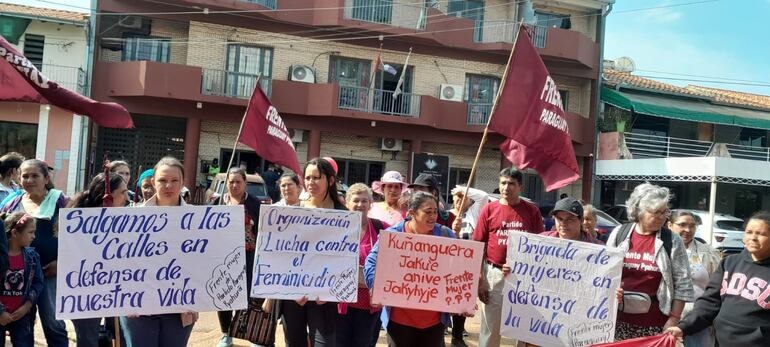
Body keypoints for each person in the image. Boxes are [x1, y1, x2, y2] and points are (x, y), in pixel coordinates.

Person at [365, 192, 464, 346]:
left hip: (434, 322)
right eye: (428, 212)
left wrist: (464, 297)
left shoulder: (446, 235)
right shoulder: (394, 236)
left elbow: (460, 267)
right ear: (412, 213)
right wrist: (374, 287)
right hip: (399, 320)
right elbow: (371, 262)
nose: (433, 216)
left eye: (435, 212)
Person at [120, 157, 197, 347]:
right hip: (138, 307)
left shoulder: (200, 220)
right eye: (162, 180)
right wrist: (125, 296)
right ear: (153, 182)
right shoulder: (131, 217)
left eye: (174, 180)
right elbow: (119, 262)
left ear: (183, 182)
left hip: (181, 307)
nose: (168, 185)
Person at [666, 211, 770, 346]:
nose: (753, 238)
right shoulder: (730, 263)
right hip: (720, 341)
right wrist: (684, 326)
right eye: (749, 232)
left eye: (761, 234)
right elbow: (710, 302)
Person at [606, 183, 693, 340]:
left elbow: (683, 284)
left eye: (664, 211)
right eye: (656, 212)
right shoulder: (620, 233)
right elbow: (604, 274)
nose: (663, 217)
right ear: (639, 211)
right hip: (617, 321)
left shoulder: (672, 240)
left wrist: (674, 318)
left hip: (655, 325)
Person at [0, 159, 69, 347]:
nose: (29, 180)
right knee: (23, 325)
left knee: (53, 323)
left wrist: (61, 263)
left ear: (46, 178)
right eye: (25, 176)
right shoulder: (11, 204)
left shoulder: (63, 203)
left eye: (35, 175)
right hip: (16, 278)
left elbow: (77, 240)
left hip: (50, 275)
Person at [473, 167, 543, 347]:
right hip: (494, 275)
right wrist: (480, 279)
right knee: (490, 328)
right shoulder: (489, 210)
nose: (506, 187)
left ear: (520, 186)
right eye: (503, 183)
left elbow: (540, 248)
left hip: (524, 279)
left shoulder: (532, 211)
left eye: (511, 183)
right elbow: (478, 246)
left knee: (523, 328)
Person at [281, 158, 344, 347]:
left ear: (330, 181)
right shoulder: (293, 212)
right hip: (294, 296)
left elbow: (346, 259)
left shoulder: (345, 215)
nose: (310, 183)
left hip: (325, 298)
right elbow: (282, 255)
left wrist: (331, 290)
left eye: (316, 177)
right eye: (307, 178)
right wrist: (291, 290)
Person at [67, 173, 128, 347]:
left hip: (118, 289)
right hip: (86, 292)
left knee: (122, 336)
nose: (126, 197)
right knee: (88, 339)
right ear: (107, 195)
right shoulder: (78, 221)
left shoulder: (129, 220)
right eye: (122, 192)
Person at [212, 167, 262, 347]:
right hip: (223, 258)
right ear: (226, 184)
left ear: (245, 184)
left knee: (248, 296)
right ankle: (226, 333)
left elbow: (261, 231)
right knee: (224, 295)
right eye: (231, 182)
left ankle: (251, 334)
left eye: (238, 182)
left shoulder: (255, 204)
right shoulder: (218, 203)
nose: (234, 185)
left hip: (248, 257)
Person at [336, 183, 387, 347]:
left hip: (369, 304)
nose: (360, 205)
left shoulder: (381, 228)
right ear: (347, 203)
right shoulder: (336, 227)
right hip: (340, 303)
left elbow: (400, 245)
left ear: (370, 204)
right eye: (356, 200)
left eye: (364, 201)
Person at [666, 210, 720, 347]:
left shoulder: (708, 252)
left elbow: (719, 287)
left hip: (698, 321)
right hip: (665, 320)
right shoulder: (661, 249)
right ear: (669, 225)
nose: (687, 230)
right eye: (682, 225)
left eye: (692, 225)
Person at [447, 185, 489, 347]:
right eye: (456, 197)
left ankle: (457, 336)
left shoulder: (475, 215)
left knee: (461, 300)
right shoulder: (447, 215)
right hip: (448, 264)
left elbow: (483, 196)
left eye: (463, 196)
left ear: (470, 200)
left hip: (467, 265)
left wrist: (462, 189)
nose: (459, 200)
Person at [0, 212, 44, 347]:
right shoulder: (1, 257)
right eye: (30, 232)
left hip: (22, 316)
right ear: (14, 233)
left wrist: (27, 305)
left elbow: (38, 282)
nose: (34, 236)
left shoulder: (32, 257)